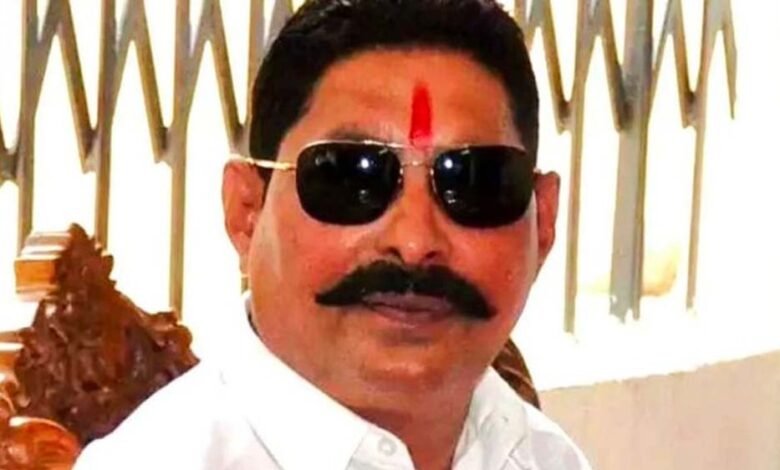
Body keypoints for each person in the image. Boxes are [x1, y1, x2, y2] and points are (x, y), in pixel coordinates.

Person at [75, 0, 591, 468]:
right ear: (246, 212)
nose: (414, 242)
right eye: (350, 179)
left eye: (473, 182)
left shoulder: (545, 458)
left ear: (543, 223)